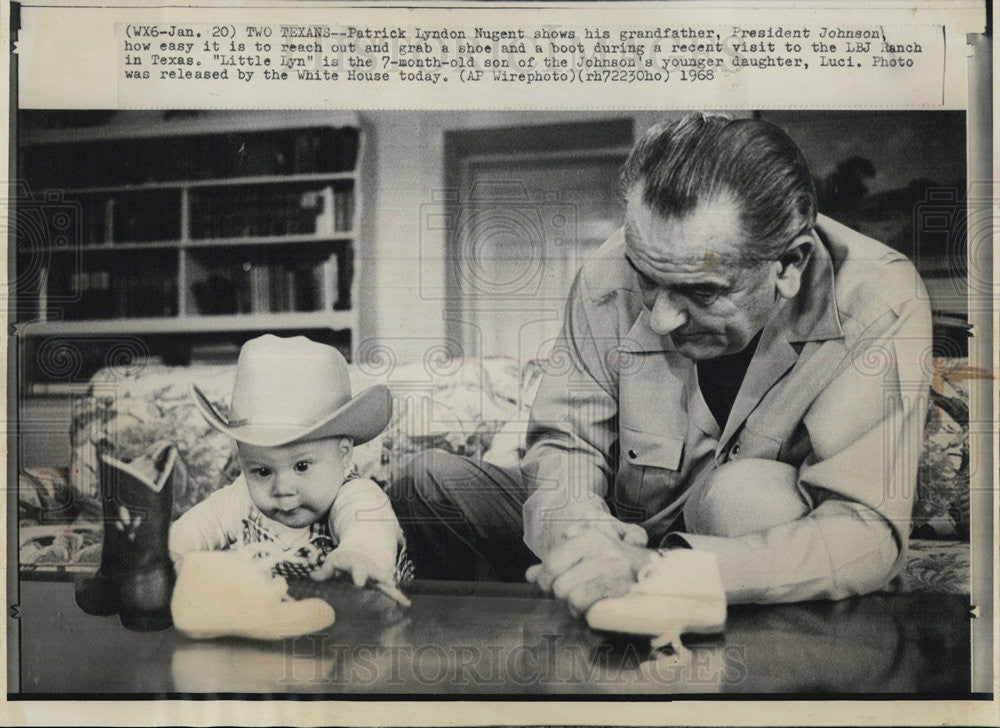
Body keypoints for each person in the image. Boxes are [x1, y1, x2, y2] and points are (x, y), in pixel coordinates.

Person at [389, 113, 932, 610]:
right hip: (618, 526)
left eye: (700, 290)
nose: (663, 319)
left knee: (741, 497)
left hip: (733, 555)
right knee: (428, 481)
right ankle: (517, 673)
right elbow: (569, 442)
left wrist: (663, 572)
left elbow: (862, 531)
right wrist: (581, 526)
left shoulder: (879, 299)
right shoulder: (609, 269)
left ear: (789, 263)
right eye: (648, 280)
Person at [171, 334, 409, 592]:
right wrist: (171, 554)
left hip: (365, 620)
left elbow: (369, 528)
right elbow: (199, 525)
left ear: (344, 453)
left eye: (302, 466)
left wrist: (359, 555)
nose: (282, 488)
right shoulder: (240, 499)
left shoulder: (355, 494)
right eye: (262, 471)